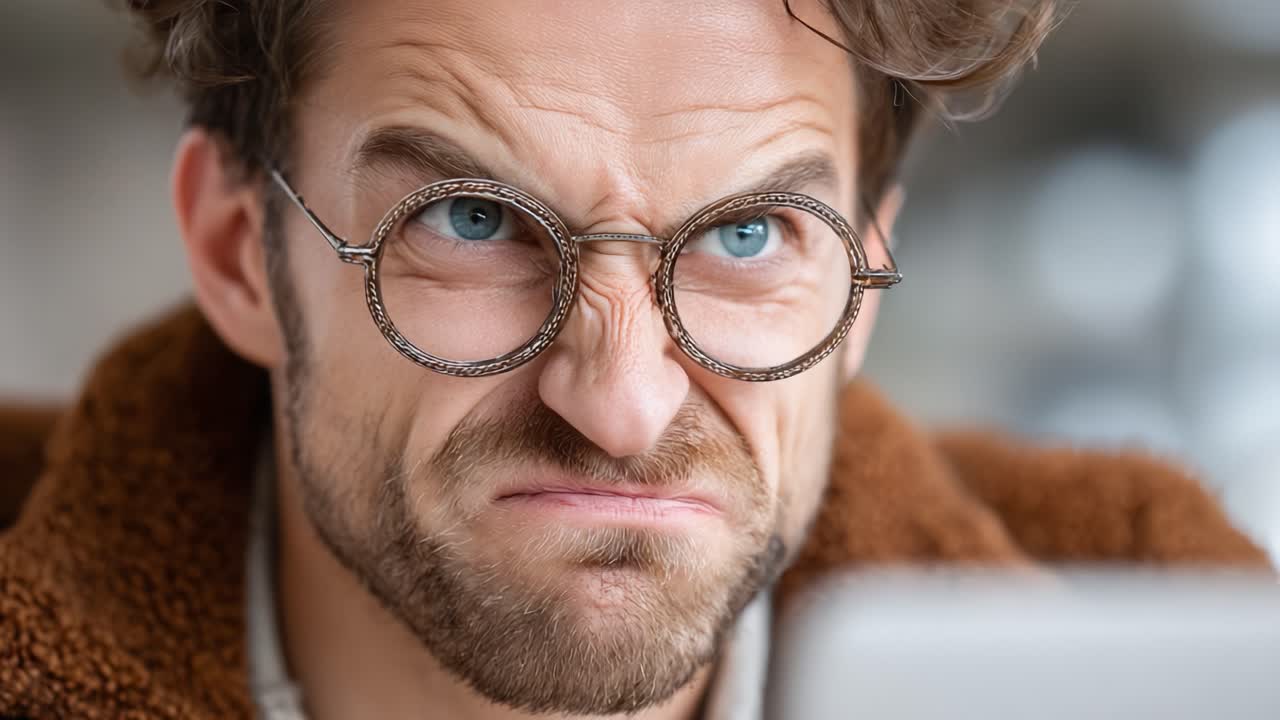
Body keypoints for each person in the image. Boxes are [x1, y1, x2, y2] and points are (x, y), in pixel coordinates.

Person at [0, 1, 1270, 719]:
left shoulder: (1175, 634)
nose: (617, 401)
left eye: (746, 234)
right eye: (472, 220)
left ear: (862, 275)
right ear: (235, 254)